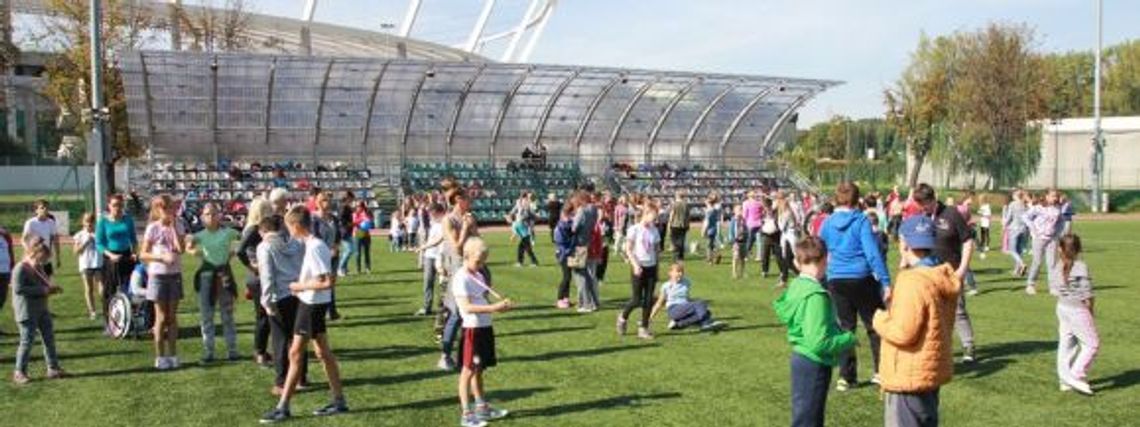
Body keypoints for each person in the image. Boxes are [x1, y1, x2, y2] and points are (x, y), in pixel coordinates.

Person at [260, 207, 348, 423]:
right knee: (323, 354)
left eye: (289, 227)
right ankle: (339, 401)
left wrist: (299, 286)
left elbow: (326, 281)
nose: (287, 232)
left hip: (311, 305)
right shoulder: (310, 245)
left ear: (297, 226)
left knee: (295, 354)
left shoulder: (315, 246)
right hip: (313, 304)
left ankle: (283, 407)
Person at [873, 215, 960, 427]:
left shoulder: (913, 281)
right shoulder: (941, 276)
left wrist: (879, 319)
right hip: (929, 370)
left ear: (905, 243)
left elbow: (903, 332)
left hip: (909, 373)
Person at [774, 236, 856, 427]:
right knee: (808, 419)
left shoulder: (797, 285)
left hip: (801, 358)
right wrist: (847, 339)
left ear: (796, 261)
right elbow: (819, 342)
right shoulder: (815, 296)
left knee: (805, 415)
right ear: (826, 260)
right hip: (813, 362)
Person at [818, 182, 891, 391]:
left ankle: (846, 376)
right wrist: (885, 281)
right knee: (874, 325)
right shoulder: (861, 221)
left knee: (845, 327)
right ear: (857, 199)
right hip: (861, 277)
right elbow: (872, 253)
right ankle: (881, 371)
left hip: (836, 279)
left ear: (836, 199)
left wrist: (821, 276)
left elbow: (820, 249)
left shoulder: (828, 222)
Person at [912, 183, 978, 363]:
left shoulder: (952, 214)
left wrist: (962, 269)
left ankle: (969, 345)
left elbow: (967, 241)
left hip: (951, 272)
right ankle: (936, 348)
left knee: (958, 310)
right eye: (920, 205)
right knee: (930, 312)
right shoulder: (921, 218)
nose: (924, 208)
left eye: (926, 204)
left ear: (933, 198)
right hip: (928, 273)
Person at [451, 237, 512, 427]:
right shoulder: (460, 278)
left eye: (484, 261)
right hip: (472, 330)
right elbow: (467, 307)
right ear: (466, 256)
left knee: (479, 369)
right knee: (467, 371)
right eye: (478, 261)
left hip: (484, 327)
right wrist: (494, 308)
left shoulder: (478, 275)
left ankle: (481, 407)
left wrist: (499, 307)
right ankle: (467, 414)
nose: (481, 265)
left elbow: (482, 299)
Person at [257, 215, 310, 396]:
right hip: (299, 294)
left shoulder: (265, 247)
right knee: (298, 338)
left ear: (263, 231)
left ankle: (281, 382)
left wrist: (267, 301)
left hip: (280, 297)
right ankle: (302, 378)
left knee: (279, 341)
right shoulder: (297, 244)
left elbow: (267, 276)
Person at [186, 202, 240, 363]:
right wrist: (196, 252)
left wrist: (234, 252)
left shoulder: (227, 232)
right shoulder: (200, 235)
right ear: (202, 217)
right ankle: (209, 351)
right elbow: (188, 245)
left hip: (224, 276)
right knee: (207, 316)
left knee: (227, 315)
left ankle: (232, 350)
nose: (211, 217)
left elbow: (244, 239)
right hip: (207, 276)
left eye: (214, 213)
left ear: (219, 215)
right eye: (207, 214)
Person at [10, 237, 66, 385]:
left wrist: (52, 289)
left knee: (49, 338)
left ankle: (53, 368)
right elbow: (18, 289)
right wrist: (44, 289)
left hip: (42, 309)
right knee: (27, 342)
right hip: (26, 311)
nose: (45, 261)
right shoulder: (20, 268)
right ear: (35, 253)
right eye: (43, 257)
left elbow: (44, 284)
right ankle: (19, 372)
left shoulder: (38, 267)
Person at [139, 194, 186, 370]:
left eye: (171, 208)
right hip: (157, 275)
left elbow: (180, 249)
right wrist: (160, 257)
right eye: (165, 208)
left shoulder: (179, 224)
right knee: (161, 317)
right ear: (158, 210)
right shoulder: (152, 228)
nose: (169, 211)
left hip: (174, 275)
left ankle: (173, 354)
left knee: (172, 317)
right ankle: (160, 356)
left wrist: (173, 227)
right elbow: (143, 254)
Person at [1049, 234, 1098, 395]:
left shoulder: (1057, 265)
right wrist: (1090, 310)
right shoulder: (1080, 266)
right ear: (1078, 249)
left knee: (1066, 344)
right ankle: (1076, 375)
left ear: (1060, 249)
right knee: (1092, 344)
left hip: (1062, 307)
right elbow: (1087, 294)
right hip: (1078, 310)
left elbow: (1055, 290)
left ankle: (1064, 381)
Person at [237, 197, 274, 366]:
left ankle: (262, 350)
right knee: (263, 316)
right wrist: (252, 266)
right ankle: (259, 351)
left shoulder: (256, 228)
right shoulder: (253, 229)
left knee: (266, 315)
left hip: (260, 275)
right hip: (258, 276)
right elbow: (239, 251)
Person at [96, 194, 138, 330]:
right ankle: (109, 322)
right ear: (109, 206)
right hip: (110, 259)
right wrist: (111, 255)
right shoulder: (103, 222)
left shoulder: (128, 220)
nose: (118, 208)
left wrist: (134, 253)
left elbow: (133, 239)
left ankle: (129, 319)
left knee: (129, 288)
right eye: (115, 205)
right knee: (109, 291)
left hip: (127, 257)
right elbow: (99, 244)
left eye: (120, 205)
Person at [619, 205, 661, 340]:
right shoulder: (634, 229)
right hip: (639, 267)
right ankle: (623, 317)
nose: (655, 221)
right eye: (653, 218)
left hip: (651, 267)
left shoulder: (655, 231)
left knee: (649, 300)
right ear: (645, 214)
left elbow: (656, 251)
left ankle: (643, 328)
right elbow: (628, 249)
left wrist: (657, 269)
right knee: (637, 299)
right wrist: (635, 265)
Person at [650, 262, 725, 332]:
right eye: (678, 271)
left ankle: (678, 324)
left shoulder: (686, 282)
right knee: (700, 305)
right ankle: (706, 323)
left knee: (707, 312)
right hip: (673, 309)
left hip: (685, 308)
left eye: (682, 272)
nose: (680, 274)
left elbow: (685, 298)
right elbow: (659, 304)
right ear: (670, 273)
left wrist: (693, 300)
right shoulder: (666, 286)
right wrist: (650, 318)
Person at [1023, 189, 1064, 295]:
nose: (1054, 198)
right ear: (1046, 196)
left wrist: (1057, 233)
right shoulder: (1038, 208)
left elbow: (1061, 222)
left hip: (1052, 239)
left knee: (1052, 264)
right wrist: (1033, 229)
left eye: (1056, 196)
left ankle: (1053, 287)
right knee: (1037, 262)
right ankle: (1030, 284)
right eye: (1052, 196)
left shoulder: (1057, 208)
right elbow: (1025, 217)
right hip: (1039, 239)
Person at [311, 192, 342, 321]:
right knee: (320, 283)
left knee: (331, 284)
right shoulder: (313, 218)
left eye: (328, 200)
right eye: (323, 200)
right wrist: (326, 250)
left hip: (333, 255)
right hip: (320, 256)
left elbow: (338, 234)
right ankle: (319, 312)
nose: (326, 203)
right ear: (317, 202)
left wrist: (335, 246)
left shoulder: (333, 218)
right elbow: (314, 237)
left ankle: (332, 312)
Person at [415, 203, 447, 316]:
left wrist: (422, 247)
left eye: (432, 213)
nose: (430, 215)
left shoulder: (446, 222)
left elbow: (438, 240)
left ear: (439, 212)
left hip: (441, 256)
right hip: (429, 255)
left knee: (443, 283)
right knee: (427, 282)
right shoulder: (433, 223)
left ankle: (444, 308)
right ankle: (426, 307)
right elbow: (431, 239)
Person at [570, 191, 600, 310]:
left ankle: (585, 303)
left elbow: (574, 227)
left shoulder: (582, 210)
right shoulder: (594, 210)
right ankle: (593, 302)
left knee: (579, 276)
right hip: (587, 243)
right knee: (587, 275)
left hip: (578, 245)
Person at [73, 213, 104, 320]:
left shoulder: (98, 233)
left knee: (102, 288)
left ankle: (105, 307)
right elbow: (76, 251)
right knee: (89, 288)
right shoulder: (80, 235)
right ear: (83, 222)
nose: (89, 224)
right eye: (87, 221)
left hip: (98, 263)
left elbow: (104, 247)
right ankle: (92, 311)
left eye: (91, 221)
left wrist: (96, 240)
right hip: (86, 264)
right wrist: (86, 242)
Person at [22, 199, 60, 277]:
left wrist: (58, 257)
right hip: (34, 258)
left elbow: (55, 240)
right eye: (42, 208)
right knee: (34, 283)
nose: (45, 209)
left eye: (47, 208)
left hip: (46, 259)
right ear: (36, 210)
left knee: (47, 283)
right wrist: (29, 251)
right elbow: (23, 239)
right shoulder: (31, 223)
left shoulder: (51, 222)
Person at [553, 205, 576, 308]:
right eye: (568, 215)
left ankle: (566, 298)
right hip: (564, 254)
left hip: (570, 253)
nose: (570, 217)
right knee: (566, 276)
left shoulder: (569, 225)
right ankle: (559, 299)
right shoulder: (559, 227)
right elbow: (560, 242)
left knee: (569, 277)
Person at [1002, 190, 1029, 277]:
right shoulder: (1024, 204)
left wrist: (1004, 224)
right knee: (1019, 250)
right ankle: (1016, 271)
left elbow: (1009, 217)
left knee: (1012, 250)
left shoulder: (1013, 204)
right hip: (1023, 229)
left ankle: (1022, 264)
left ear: (1016, 196)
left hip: (1014, 229)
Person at [336, 191, 357, 276]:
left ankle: (344, 268)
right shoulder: (343, 207)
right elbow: (341, 219)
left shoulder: (346, 207)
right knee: (349, 250)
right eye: (351, 198)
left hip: (348, 231)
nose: (352, 200)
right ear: (348, 198)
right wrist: (350, 224)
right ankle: (340, 268)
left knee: (348, 250)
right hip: (344, 232)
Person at [666, 192, 690, 261]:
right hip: (683, 225)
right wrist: (688, 224)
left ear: (677, 196)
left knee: (674, 241)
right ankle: (681, 256)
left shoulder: (674, 204)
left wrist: (669, 224)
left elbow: (672, 215)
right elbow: (688, 216)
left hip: (675, 224)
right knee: (681, 241)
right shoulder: (686, 204)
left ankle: (676, 256)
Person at [352, 201, 373, 274]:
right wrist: (361, 220)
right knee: (358, 253)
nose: (358, 207)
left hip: (366, 234)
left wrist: (365, 215)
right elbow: (354, 223)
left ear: (363, 207)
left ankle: (367, 268)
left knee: (366, 252)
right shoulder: (355, 214)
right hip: (358, 233)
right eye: (357, 206)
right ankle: (358, 269)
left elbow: (370, 221)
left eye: (360, 206)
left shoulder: (367, 213)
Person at [702, 194, 722, 264]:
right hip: (714, 228)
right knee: (712, 244)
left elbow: (707, 222)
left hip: (709, 230)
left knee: (708, 246)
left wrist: (703, 231)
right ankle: (717, 254)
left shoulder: (709, 211)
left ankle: (709, 259)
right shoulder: (715, 210)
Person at [730, 205, 747, 280]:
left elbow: (746, 229)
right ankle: (734, 272)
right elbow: (731, 231)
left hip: (743, 241)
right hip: (736, 241)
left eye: (741, 210)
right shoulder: (733, 220)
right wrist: (733, 240)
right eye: (738, 210)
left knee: (742, 258)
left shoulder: (743, 220)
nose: (740, 211)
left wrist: (746, 236)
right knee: (736, 256)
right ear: (735, 211)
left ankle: (742, 272)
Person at [0, 224, 12, 327]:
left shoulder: (4, 234)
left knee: (2, 299)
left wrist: (12, 267)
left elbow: (10, 252)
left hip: (5, 271)